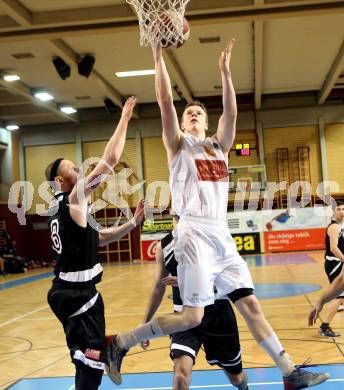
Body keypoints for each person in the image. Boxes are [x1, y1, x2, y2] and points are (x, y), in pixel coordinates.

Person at [106, 40, 329, 389]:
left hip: (220, 233)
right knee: (192, 316)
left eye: (198, 113)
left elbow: (232, 114)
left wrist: (225, 73)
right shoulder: (178, 145)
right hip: (192, 231)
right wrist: (157, 56)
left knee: (251, 304)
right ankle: (120, 342)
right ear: (181, 123)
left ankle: (289, 372)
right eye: (188, 114)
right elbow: (165, 101)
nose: (193, 115)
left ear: (207, 123)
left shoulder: (219, 146)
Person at [46, 97, 144, 390]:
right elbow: (109, 161)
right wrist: (124, 118)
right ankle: (110, 347)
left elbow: (100, 237)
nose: (80, 171)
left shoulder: (68, 210)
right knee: (91, 367)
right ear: (61, 181)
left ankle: (108, 347)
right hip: (76, 296)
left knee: (87, 361)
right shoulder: (73, 199)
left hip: (75, 293)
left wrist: (133, 224)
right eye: (73, 169)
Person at [141, 220, 249, 390]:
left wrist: (185, 280)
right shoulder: (165, 246)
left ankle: (244, 387)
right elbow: (157, 288)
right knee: (180, 374)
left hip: (217, 314)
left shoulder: (212, 239)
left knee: (236, 377)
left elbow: (228, 280)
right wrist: (145, 324)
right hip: (183, 317)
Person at [312, 201, 344, 337]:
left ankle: (324, 326)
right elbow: (333, 248)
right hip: (334, 263)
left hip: (338, 262)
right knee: (339, 295)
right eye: (338, 209)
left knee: (340, 296)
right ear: (333, 212)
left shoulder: (340, 226)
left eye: (343, 209)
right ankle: (324, 327)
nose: (342, 211)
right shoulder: (334, 227)